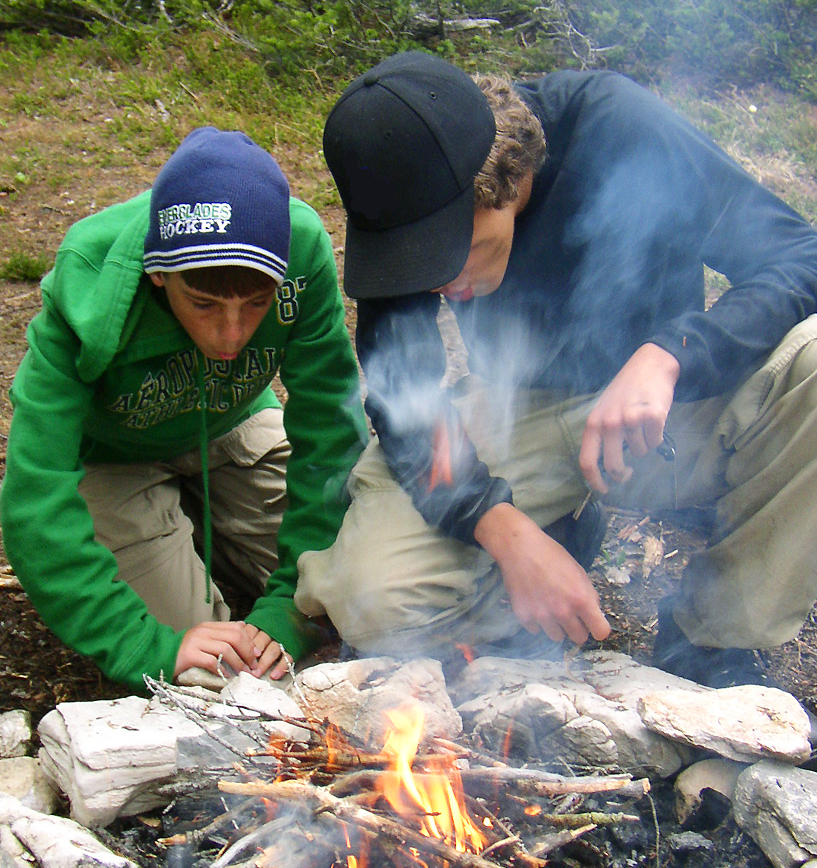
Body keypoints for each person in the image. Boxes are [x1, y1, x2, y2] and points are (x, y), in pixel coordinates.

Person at [294, 51, 817, 687]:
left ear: (507, 184)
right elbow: (406, 399)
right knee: (367, 598)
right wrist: (501, 528)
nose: (437, 281)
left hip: (662, 412)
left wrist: (672, 352)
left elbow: (799, 254)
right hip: (519, 414)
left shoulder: (619, 129)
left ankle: (714, 641)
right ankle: (553, 541)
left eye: (451, 254)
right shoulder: (408, 187)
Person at [0, 126, 368, 692]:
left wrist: (289, 614)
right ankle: (178, 546)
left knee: (353, 579)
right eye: (203, 304)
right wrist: (147, 646)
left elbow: (330, 435)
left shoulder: (301, 251)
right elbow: (35, 494)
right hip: (115, 462)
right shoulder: (88, 282)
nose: (231, 336)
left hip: (233, 429)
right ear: (159, 273)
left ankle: (205, 537)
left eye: (256, 305)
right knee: (215, 673)